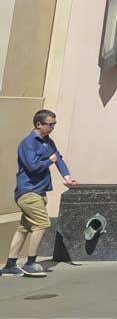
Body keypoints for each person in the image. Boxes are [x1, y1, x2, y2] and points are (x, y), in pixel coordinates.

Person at [3, 110, 75, 277]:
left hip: (39, 191)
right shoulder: (28, 143)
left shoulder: (49, 142)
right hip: (28, 191)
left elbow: (59, 159)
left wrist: (67, 177)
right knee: (42, 224)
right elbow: (32, 167)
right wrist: (49, 160)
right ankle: (30, 263)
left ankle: (10, 265)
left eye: (54, 124)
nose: (52, 127)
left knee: (25, 227)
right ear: (39, 124)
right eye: (50, 124)